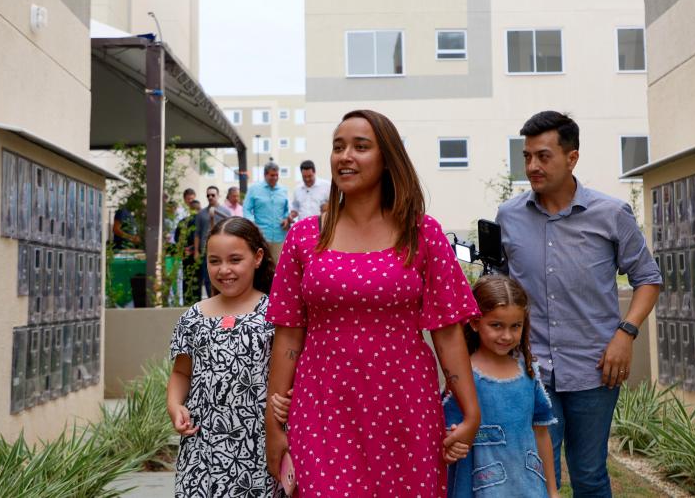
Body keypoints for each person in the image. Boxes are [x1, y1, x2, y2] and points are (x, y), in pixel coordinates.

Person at [264, 109, 482, 497]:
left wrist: (471, 411)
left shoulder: (422, 233)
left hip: (405, 403)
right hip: (322, 405)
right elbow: (289, 335)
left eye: (360, 147)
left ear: (387, 160)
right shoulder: (303, 238)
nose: (345, 156)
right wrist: (273, 422)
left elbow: (447, 332)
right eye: (338, 147)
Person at [496, 111, 661, 497]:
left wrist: (626, 333)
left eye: (543, 156)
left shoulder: (611, 213)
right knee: (536, 474)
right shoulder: (509, 216)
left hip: (596, 367)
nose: (533, 166)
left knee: (589, 475)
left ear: (572, 158)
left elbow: (648, 279)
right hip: (530, 368)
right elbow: (500, 287)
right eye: (527, 157)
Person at [167, 217, 282, 497]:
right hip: (202, 449)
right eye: (215, 261)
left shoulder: (277, 313)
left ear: (257, 258)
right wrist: (174, 405)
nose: (224, 270)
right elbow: (182, 372)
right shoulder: (193, 317)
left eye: (234, 259)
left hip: (258, 445)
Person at [444, 275, 560, 498]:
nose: (506, 336)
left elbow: (541, 433)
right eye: (496, 325)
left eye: (515, 326)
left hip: (529, 487)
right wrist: (450, 446)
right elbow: (448, 435)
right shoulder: (463, 378)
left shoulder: (528, 373)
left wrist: (552, 491)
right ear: (475, 322)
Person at [243, 162, 290, 260]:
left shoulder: (283, 190)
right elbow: (246, 209)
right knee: (262, 266)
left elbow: (286, 210)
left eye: (277, 175)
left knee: (278, 266)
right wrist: (253, 224)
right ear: (265, 175)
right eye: (272, 175)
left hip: (279, 236)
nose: (275, 178)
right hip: (261, 236)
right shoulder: (254, 189)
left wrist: (286, 218)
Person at [194, 186, 231, 297]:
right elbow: (197, 233)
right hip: (206, 250)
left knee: (223, 276)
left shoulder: (225, 212)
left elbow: (230, 231)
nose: (210, 197)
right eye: (208, 195)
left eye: (213, 195)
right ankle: (212, 301)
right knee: (208, 277)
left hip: (223, 250)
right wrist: (196, 251)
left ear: (218, 196)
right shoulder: (201, 214)